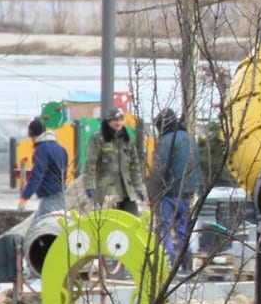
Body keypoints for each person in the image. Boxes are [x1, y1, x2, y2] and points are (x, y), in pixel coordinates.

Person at [147, 108, 202, 268]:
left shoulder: (165, 141)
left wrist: (152, 194)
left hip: (169, 192)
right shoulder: (190, 139)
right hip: (189, 191)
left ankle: (168, 265)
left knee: (165, 229)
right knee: (183, 229)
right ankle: (186, 265)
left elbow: (158, 171)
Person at [86, 110, 147, 212]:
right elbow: (90, 165)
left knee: (132, 222)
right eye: (115, 120)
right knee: (109, 224)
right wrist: (90, 185)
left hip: (127, 191)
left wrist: (138, 187)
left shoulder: (128, 140)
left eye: (120, 120)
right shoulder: (99, 139)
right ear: (108, 122)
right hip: (107, 192)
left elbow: (134, 167)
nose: (118, 123)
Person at [19, 118, 70, 216]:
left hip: (49, 199)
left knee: (41, 228)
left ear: (33, 135)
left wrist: (24, 197)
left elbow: (37, 175)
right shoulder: (61, 149)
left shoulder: (42, 150)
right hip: (61, 196)